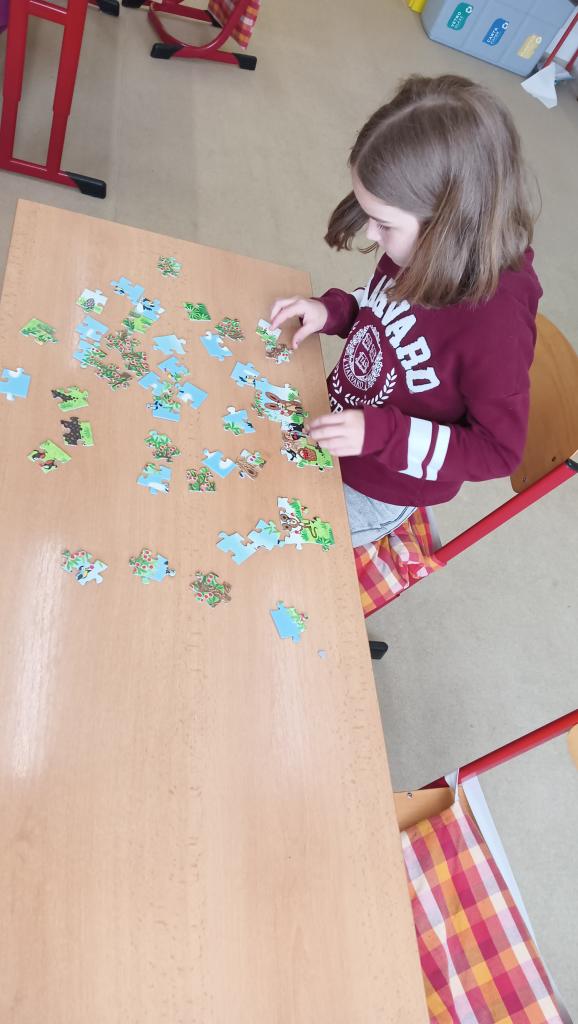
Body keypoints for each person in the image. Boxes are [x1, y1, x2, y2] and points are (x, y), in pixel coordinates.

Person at [270, 74, 542, 546]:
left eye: (383, 224)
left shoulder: (495, 327)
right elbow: (383, 313)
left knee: (270, 537)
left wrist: (383, 434)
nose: (370, 236)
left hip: (380, 486)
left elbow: (497, 452)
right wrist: (333, 311)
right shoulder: (420, 250)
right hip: (333, 423)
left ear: (447, 225)